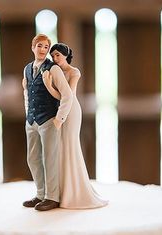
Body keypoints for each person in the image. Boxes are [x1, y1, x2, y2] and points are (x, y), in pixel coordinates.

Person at [43, 43, 108, 209]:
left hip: (71, 111)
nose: (55, 58)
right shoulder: (53, 71)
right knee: (60, 147)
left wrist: (49, 87)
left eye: (58, 55)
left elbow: (68, 96)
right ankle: (61, 190)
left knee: (70, 145)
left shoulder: (73, 72)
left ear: (65, 55)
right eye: (53, 55)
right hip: (57, 110)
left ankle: (75, 191)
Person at [22, 35, 73, 211]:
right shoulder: (27, 69)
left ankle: (52, 197)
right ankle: (40, 193)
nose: (43, 50)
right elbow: (27, 93)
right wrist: (27, 113)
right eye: (40, 46)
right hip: (32, 121)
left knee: (50, 159)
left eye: (46, 47)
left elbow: (67, 95)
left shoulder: (53, 69)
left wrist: (59, 119)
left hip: (49, 119)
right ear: (33, 47)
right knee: (33, 159)